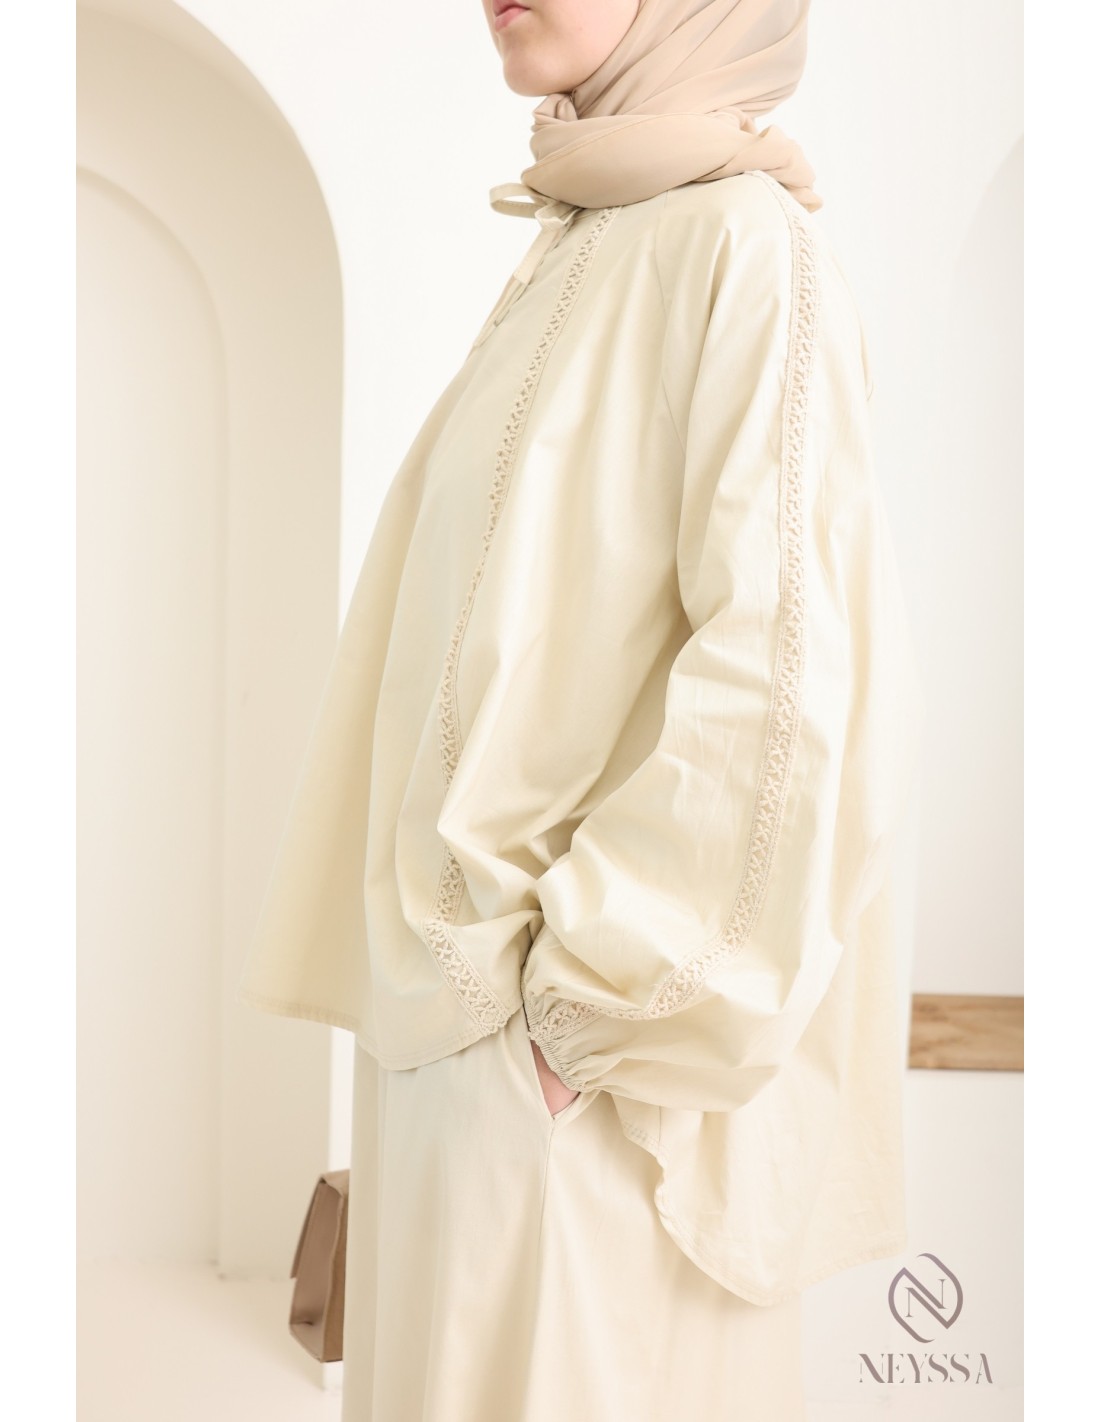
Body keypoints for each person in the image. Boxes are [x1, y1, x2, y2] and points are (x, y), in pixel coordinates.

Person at [236, 2, 925, 1418]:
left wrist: (588, 1014)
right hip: (463, 1028)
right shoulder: (585, 237)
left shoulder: (746, 247)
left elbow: (787, 667)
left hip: (596, 1075)